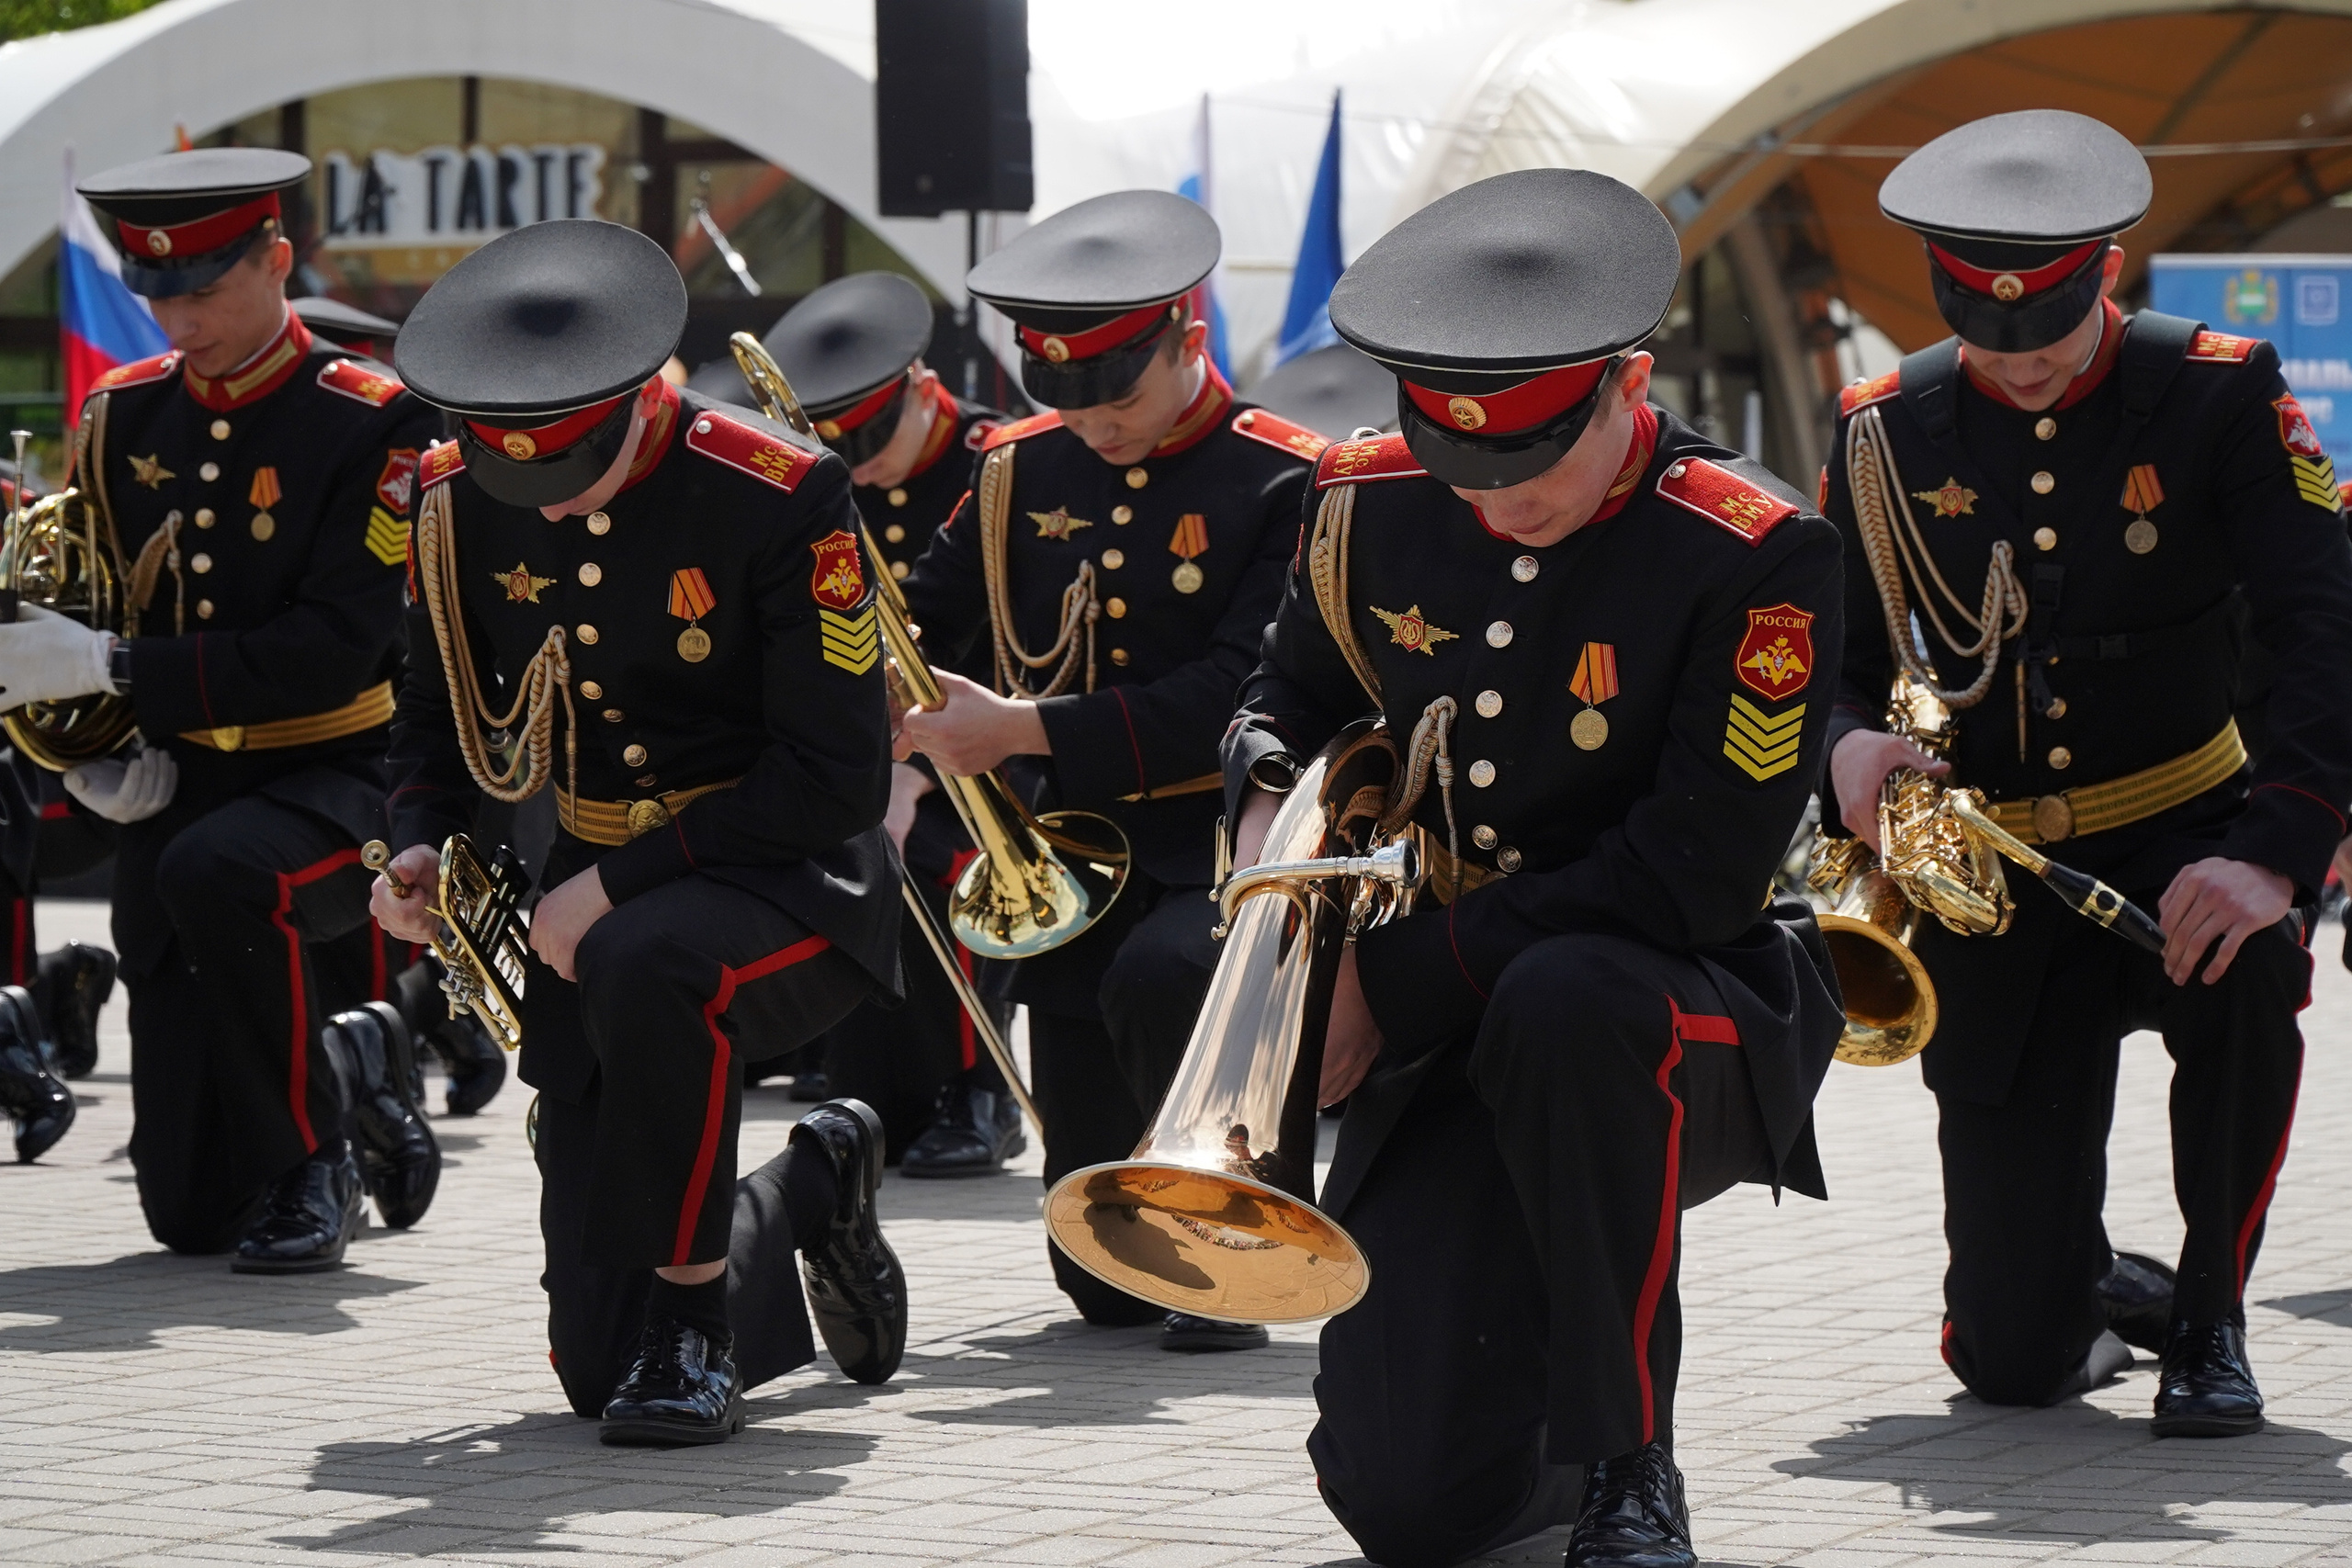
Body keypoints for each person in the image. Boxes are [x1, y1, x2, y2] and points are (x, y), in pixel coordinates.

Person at [1223, 168, 1845, 1568]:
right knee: (1407, 1506)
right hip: (1452, 1008)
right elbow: (1291, 690)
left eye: (1532, 469)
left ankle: (1634, 1462)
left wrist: (1392, 980)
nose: (1496, 504)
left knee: (1570, 1000)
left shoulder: (1754, 550)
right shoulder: (1363, 500)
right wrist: (1269, 812)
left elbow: (1695, 869)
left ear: (1629, 383)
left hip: (1678, 1000)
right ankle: (1548, 1446)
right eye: (1464, 471)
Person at [1820, 109, 2352, 1438]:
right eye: (1987, 341)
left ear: (2105, 272)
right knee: (2007, 1363)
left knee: (2254, 968)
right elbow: (1823, 654)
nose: (2021, 369)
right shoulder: (1884, 429)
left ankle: (2213, 1316)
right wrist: (1844, 744)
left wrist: (2278, 849)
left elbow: (2323, 619)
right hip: (1991, 873)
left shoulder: (2222, 390)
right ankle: (2092, 1289)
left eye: (2048, 340)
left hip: (2186, 832)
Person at [375, 218, 910, 1447]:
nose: (548, 504)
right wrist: (422, 842)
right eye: (517, 477)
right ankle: (814, 1183)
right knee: (592, 1369)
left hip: (788, 878)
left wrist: (616, 884)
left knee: (647, 955)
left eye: (567, 470)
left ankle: (697, 1325)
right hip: (594, 889)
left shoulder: (781, 491)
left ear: (632, 400)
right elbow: (436, 712)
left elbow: (835, 778)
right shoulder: (454, 497)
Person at [897, 190, 1327, 1351]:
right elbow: (925, 619)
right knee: (1102, 1288)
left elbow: (1236, 694)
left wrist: (1016, 730)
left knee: (1162, 971)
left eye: (1119, 399)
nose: (1094, 429)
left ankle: (1244, 1238)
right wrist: (885, 708)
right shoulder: (1015, 471)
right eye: (1069, 403)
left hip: (1226, 841)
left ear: (1190, 341)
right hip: (1072, 853)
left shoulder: (1286, 477)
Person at [0, 148, 441, 1260]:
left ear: (277, 260)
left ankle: (315, 1163)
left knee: (221, 871)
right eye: (158, 293)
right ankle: (353, 1056)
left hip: (337, 777)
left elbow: (333, 653)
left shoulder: (372, 420)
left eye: (204, 289)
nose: (178, 320)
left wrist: (117, 672)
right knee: (188, 1216)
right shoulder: (121, 415)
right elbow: (92, 597)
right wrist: (88, 755)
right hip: (178, 782)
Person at [759, 270, 1020, 1173]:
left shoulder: (996, 459)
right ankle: (871, 1090)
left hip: (994, 740)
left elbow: (1000, 634)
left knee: (944, 862)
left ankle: (980, 1089)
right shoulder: (818, 482)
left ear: (922, 387)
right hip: (865, 742)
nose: (860, 468)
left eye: (872, 439)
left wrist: (916, 771)